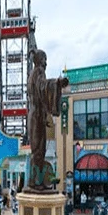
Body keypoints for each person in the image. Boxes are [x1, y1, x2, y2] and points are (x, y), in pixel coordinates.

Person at [26, 49, 69, 189]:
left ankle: (38, 181)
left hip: (37, 115)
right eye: (44, 59)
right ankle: (34, 182)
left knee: (40, 150)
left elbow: (40, 92)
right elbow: (43, 86)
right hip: (36, 115)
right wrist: (57, 83)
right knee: (38, 150)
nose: (46, 62)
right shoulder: (38, 72)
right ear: (39, 60)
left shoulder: (35, 73)